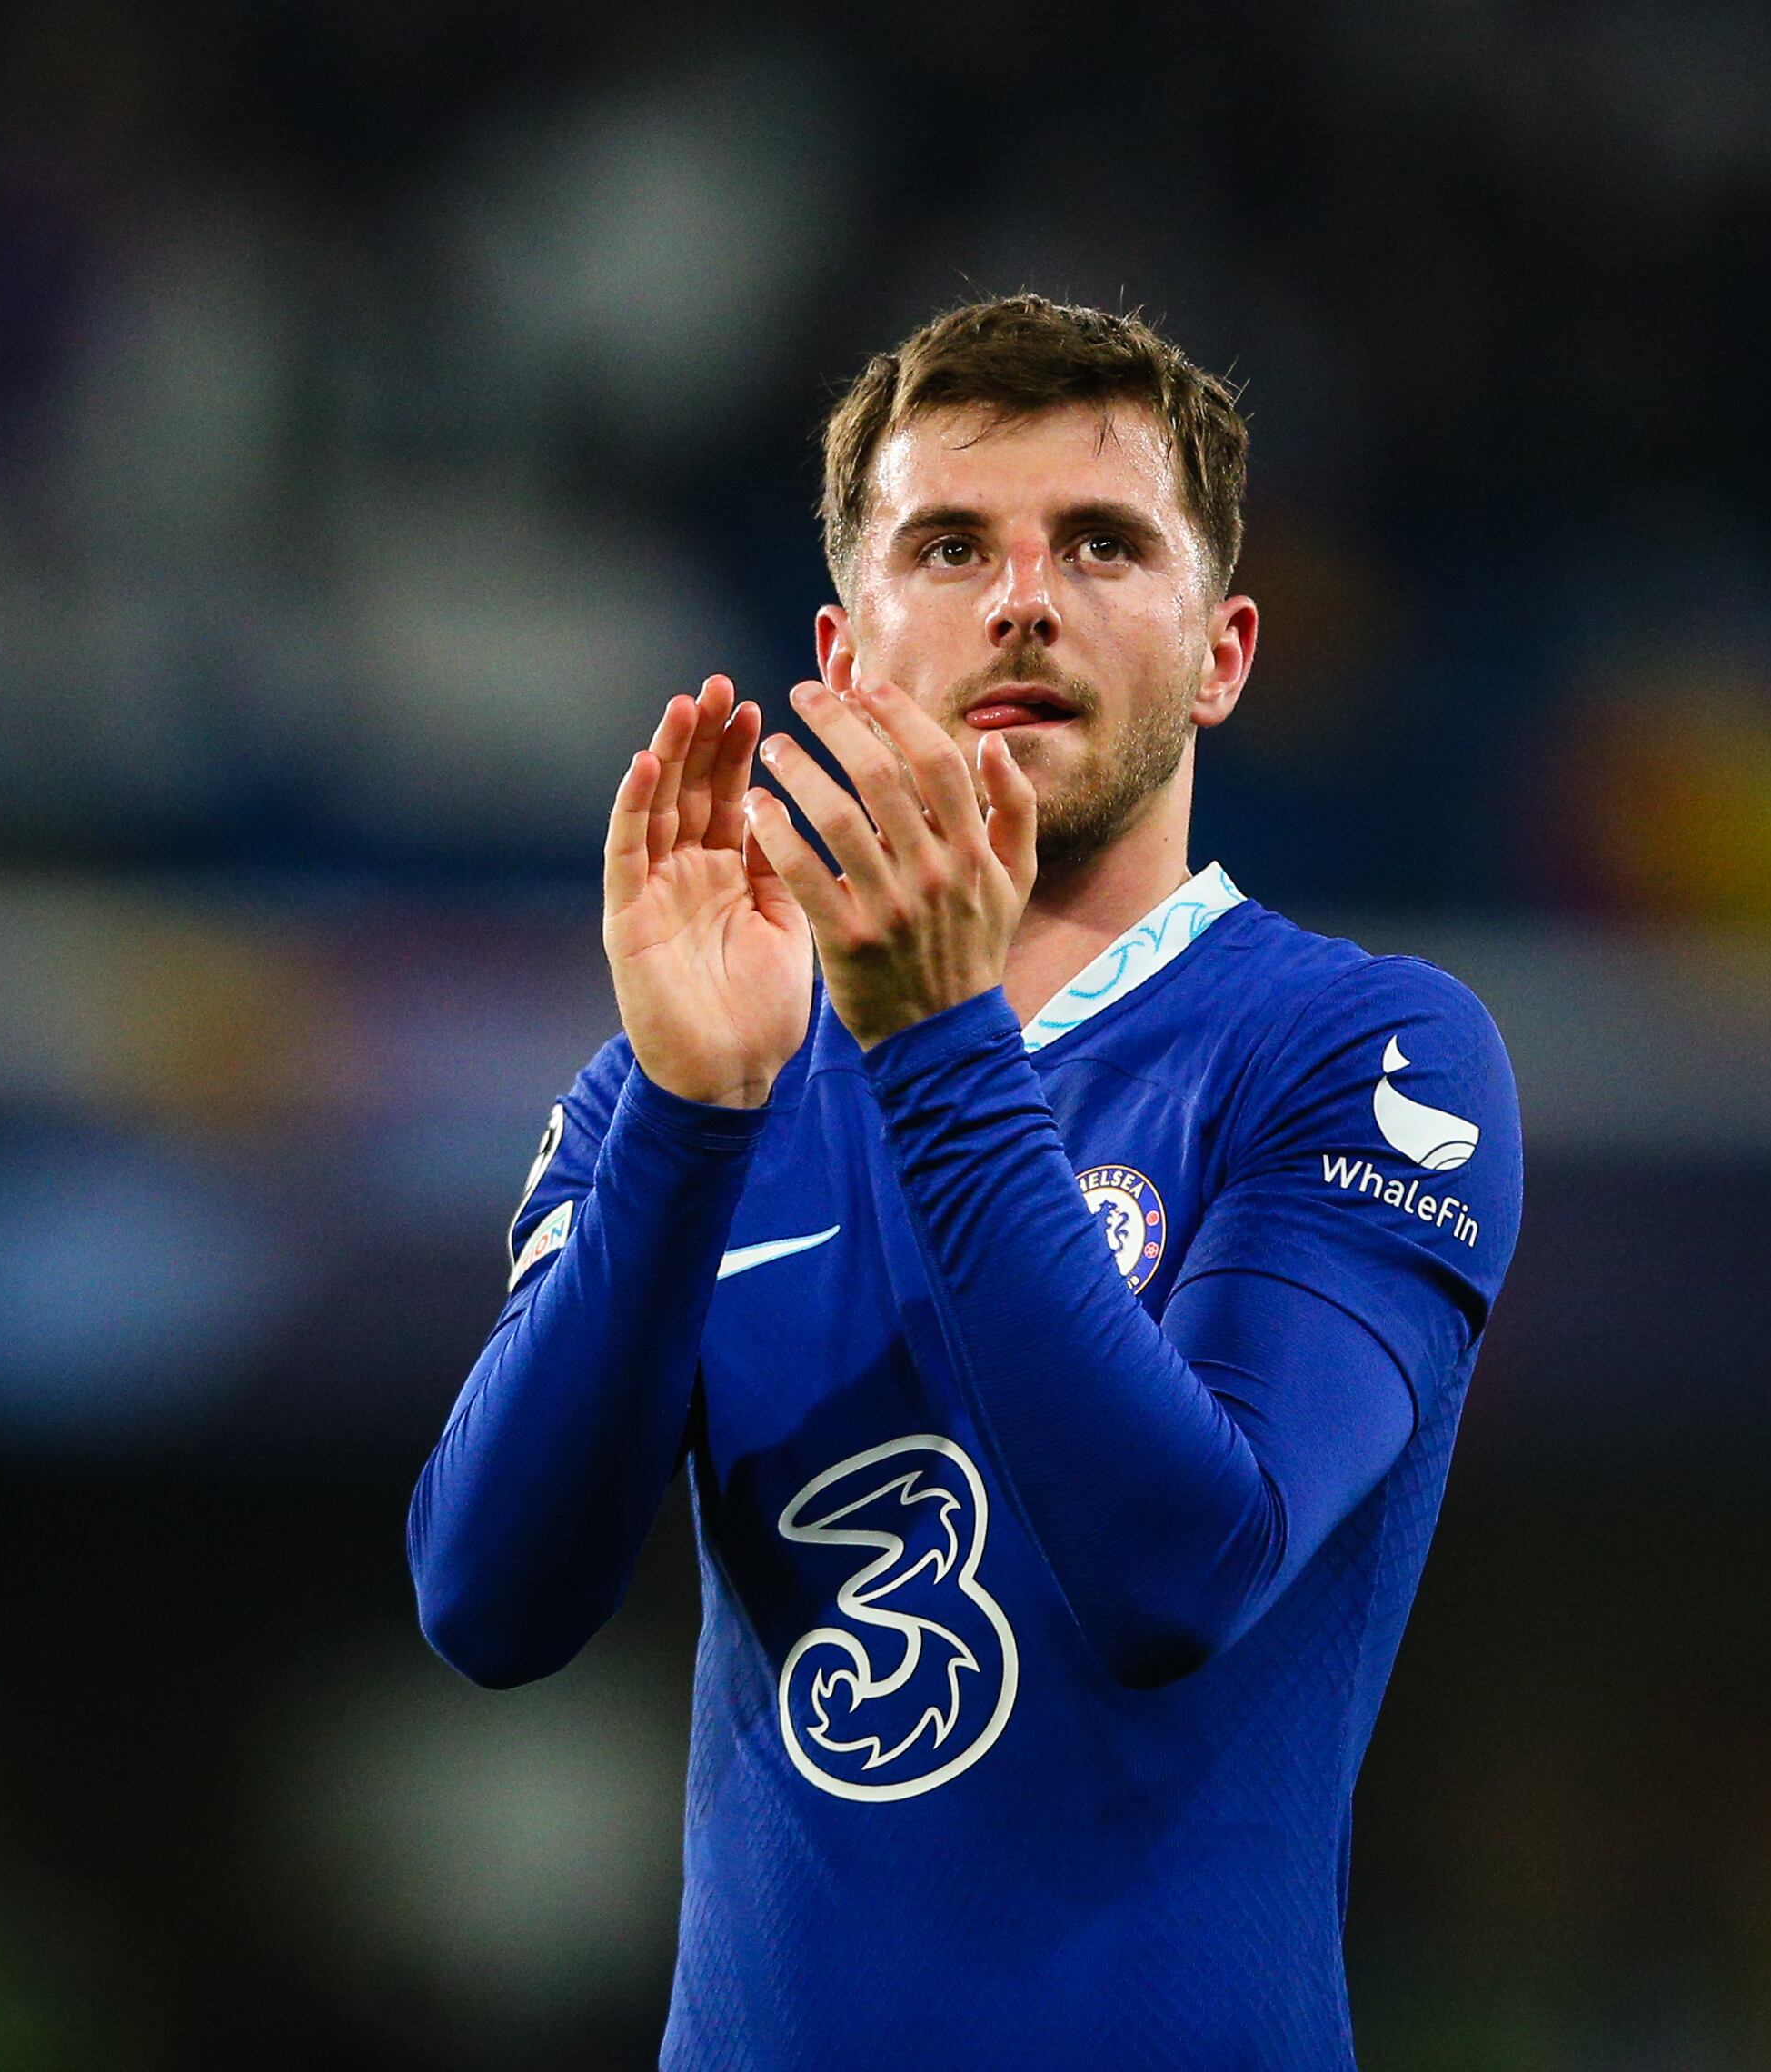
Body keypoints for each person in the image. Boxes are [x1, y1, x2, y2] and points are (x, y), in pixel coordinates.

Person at [408, 294, 1523, 2068]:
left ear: (1225, 651)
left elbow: (1186, 1567)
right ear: (846, 655)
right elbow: (489, 1600)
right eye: (951, 545)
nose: (1024, 597)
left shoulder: (1361, 1050)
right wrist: (690, 1118)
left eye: (1101, 542)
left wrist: (933, 1046)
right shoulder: (698, 1071)